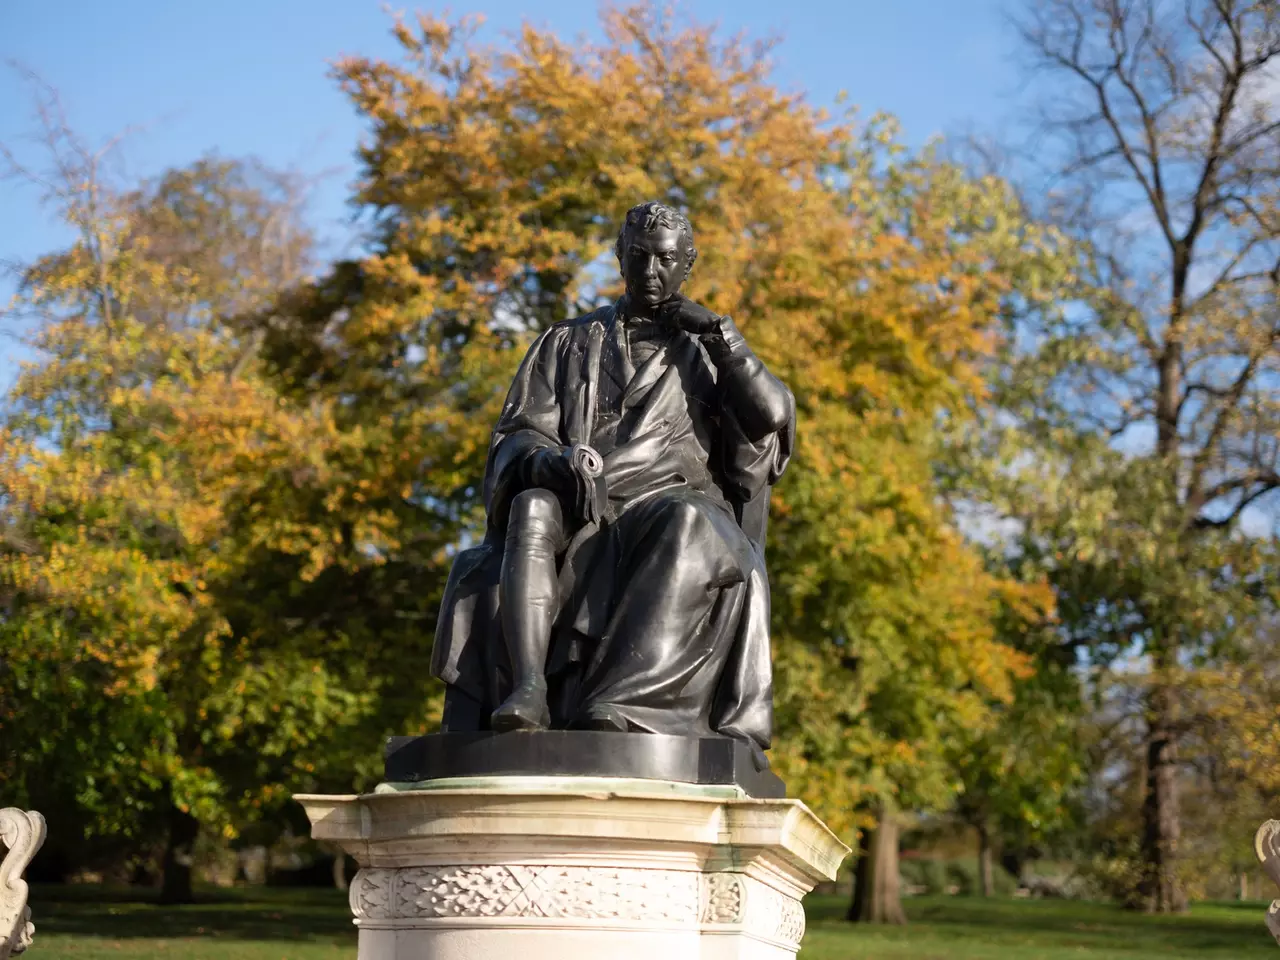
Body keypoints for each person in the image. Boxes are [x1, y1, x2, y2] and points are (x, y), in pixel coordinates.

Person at [431, 201, 794, 755]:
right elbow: (519, 432)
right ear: (620, 258)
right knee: (530, 505)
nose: (651, 272)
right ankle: (528, 692)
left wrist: (723, 336)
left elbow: (769, 415)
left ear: (687, 263)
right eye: (639, 257)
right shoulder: (567, 341)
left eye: (665, 260)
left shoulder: (706, 348)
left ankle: (623, 703)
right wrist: (551, 463)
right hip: (584, 504)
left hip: (668, 504)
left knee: (687, 521)